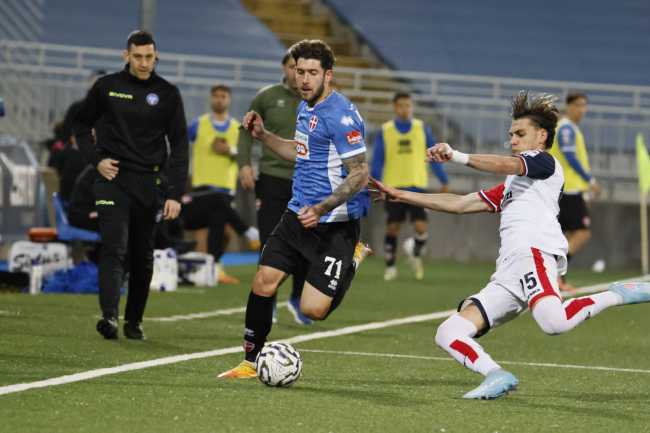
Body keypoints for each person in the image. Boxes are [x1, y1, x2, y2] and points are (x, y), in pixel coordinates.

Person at [369, 91, 650, 400]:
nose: (512, 139)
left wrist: (457, 156)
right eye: (511, 134)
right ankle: (495, 374)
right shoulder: (511, 186)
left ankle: (618, 294)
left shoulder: (544, 163)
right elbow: (460, 203)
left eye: (520, 134)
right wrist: (401, 194)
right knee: (448, 332)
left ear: (541, 136)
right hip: (508, 271)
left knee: (553, 323)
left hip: (534, 253)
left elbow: (506, 164)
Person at [219, 39, 372, 379]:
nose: (303, 79)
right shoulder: (307, 107)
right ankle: (250, 361)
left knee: (313, 309)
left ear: (328, 75)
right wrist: (263, 136)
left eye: (312, 73)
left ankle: (352, 259)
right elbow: (298, 150)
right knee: (263, 282)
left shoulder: (342, 115)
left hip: (334, 224)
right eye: (299, 71)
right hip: (297, 214)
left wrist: (322, 208)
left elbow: (360, 173)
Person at [73, 30, 188, 340]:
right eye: (138, 57)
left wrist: (175, 193)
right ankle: (109, 316)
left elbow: (179, 146)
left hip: (149, 183)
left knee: (142, 256)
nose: (144, 62)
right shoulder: (106, 87)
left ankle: (134, 320)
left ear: (156, 56)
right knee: (114, 246)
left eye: (149, 57)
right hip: (112, 179)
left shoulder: (168, 94)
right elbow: (80, 125)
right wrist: (96, 160)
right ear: (126, 56)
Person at [237, 51, 313, 325]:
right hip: (271, 178)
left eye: (303, 69)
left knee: (307, 241)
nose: (298, 74)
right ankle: (267, 300)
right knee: (270, 241)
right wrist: (244, 164)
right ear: (284, 68)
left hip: (306, 182)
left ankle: (297, 298)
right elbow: (246, 129)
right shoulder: (267, 97)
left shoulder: (317, 100)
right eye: (294, 67)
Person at [371, 92, 449, 281]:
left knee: (422, 228)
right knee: (392, 227)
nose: (405, 109)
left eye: (408, 105)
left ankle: (413, 249)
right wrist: (376, 183)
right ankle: (390, 267)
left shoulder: (421, 128)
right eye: (401, 105)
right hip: (393, 187)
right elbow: (377, 160)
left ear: (412, 107)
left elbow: (434, 156)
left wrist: (443, 179)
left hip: (417, 187)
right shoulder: (386, 130)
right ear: (394, 107)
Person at [186, 84, 259, 284]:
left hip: (226, 188)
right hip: (202, 185)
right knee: (203, 232)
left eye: (223, 96)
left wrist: (230, 151)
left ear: (229, 100)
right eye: (216, 96)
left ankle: (212, 267)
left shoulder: (237, 128)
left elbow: (244, 154)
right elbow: (181, 144)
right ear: (211, 99)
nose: (219, 99)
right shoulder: (198, 124)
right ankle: (208, 270)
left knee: (225, 233)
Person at [549, 92, 600, 292]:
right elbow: (570, 157)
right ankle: (555, 272)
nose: (582, 110)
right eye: (578, 105)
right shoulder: (567, 129)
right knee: (582, 233)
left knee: (567, 235)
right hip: (568, 189)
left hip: (565, 189)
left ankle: (558, 278)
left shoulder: (568, 128)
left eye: (584, 105)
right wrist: (590, 181)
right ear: (569, 106)